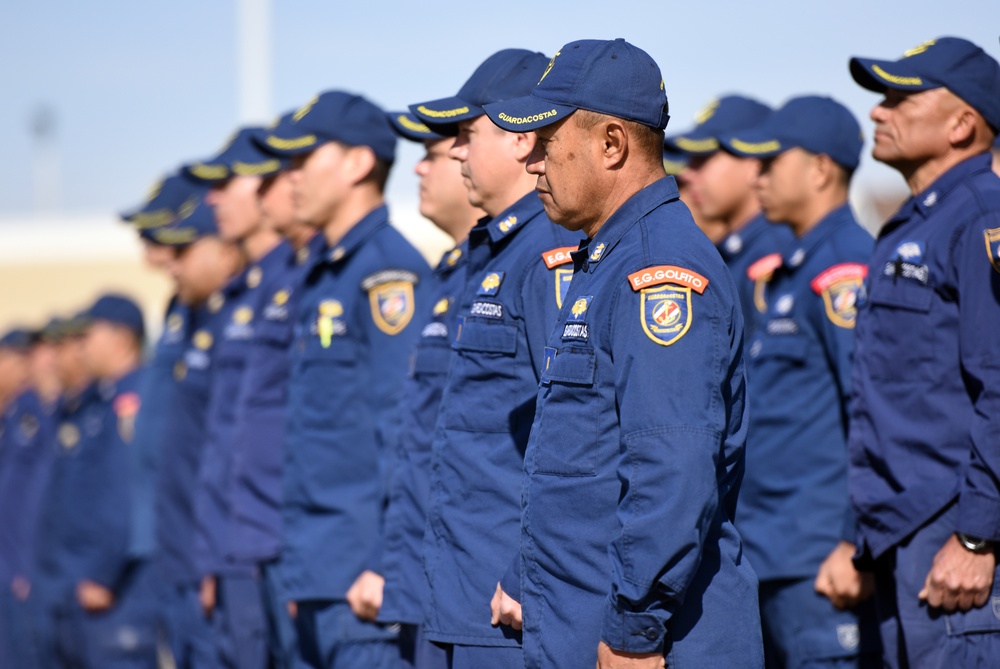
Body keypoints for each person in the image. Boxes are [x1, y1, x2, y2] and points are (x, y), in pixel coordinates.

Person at [484, 38, 764, 669]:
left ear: (612, 144)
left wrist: (636, 627)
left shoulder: (656, 270)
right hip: (580, 625)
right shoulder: (605, 260)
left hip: (643, 645)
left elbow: (673, 465)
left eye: (548, 141)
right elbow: (581, 460)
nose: (532, 162)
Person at [409, 48, 582, 669]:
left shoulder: (550, 253)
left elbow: (574, 431)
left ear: (519, 139)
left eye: (466, 133)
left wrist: (525, 572)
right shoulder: (492, 251)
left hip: (508, 606)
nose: (455, 152)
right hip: (460, 596)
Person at [260, 89, 432, 668]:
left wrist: (388, 561)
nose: (290, 179)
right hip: (317, 572)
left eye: (303, 160)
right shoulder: (325, 274)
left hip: (362, 586)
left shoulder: (387, 275)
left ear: (358, 164)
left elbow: (405, 426)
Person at [845, 36, 1000, 668]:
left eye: (901, 98)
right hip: (901, 529)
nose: (880, 112)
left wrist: (977, 534)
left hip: (953, 532)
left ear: (964, 123)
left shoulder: (979, 218)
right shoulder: (912, 225)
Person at [721, 96, 879, 668]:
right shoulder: (795, 271)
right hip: (773, 551)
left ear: (819, 168)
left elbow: (869, 411)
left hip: (819, 559)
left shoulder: (845, 269)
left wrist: (852, 542)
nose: (756, 177)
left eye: (771, 163)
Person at [364, 111, 483, 669]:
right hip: (427, 579)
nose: (424, 166)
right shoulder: (450, 274)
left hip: (482, 597)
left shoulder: (537, 265)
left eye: (438, 149)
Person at [184, 125, 291, 669]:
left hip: (271, 545)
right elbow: (224, 436)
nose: (213, 198)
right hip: (232, 545)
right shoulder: (240, 296)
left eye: (229, 182)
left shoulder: (295, 283)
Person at [136, 181, 246, 668]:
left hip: (220, 560)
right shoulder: (188, 314)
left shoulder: (237, 318)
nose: (164, 261)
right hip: (182, 553)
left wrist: (214, 558)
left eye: (181, 247)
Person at [34, 294, 158, 668]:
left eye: (90, 336)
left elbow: (125, 494)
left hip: (117, 590)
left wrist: (103, 573)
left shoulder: (133, 399)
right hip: (78, 584)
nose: (80, 347)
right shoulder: (99, 401)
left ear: (121, 338)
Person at [667, 94, 792, 335]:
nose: (687, 173)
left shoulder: (771, 255)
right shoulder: (735, 252)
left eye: (702, 159)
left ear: (753, 162)